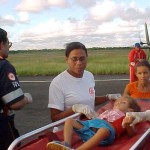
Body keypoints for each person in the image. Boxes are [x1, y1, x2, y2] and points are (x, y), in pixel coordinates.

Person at [48, 41, 121, 122]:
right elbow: (55, 118)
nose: (79, 63)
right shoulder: (58, 83)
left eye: (82, 58)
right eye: (74, 59)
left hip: (89, 128)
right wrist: (74, 109)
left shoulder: (89, 76)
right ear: (66, 59)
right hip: (68, 132)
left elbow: (90, 100)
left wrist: (108, 97)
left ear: (87, 58)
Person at [47, 96, 141, 150]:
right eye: (118, 101)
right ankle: (66, 143)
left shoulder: (128, 116)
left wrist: (128, 125)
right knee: (69, 121)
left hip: (105, 134)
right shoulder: (107, 111)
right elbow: (96, 118)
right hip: (90, 127)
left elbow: (132, 133)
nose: (118, 102)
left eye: (123, 102)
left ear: (130, 109)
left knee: (104, 130)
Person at [0, 28, 33, 150]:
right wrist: (26, 98)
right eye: (8, 44)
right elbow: (15, 103)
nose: (9, 47)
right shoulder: (4, 66)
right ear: (1, 44)